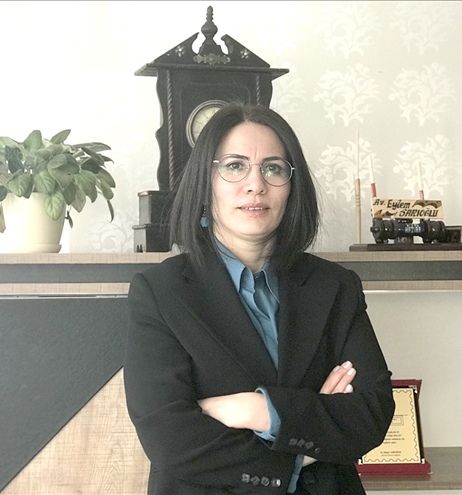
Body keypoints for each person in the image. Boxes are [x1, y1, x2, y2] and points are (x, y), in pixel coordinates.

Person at [123, 103, 395, 494]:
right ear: (206, 183)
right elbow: (169, 437)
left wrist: (257, 410)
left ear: (292, 186)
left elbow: (371, 414)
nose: (256, 184)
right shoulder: (160, 291)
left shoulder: (335, 286)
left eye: (273, 168)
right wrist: (299, 449)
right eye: (234, 166)